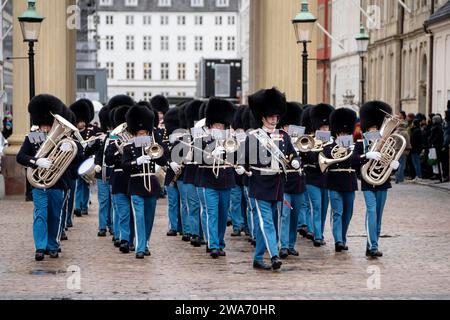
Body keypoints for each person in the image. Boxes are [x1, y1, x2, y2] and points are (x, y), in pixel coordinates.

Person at [238, 88, 301, 271]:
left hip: (277, 185)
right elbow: (241, 159)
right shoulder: (253, 137)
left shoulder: (283, 136)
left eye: (276, 116)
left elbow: (293, 155)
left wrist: (296, 162)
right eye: (270, 116)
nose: (274, 119)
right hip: (259, 184)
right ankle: (274, 255)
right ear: (262, 116)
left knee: (268, 223)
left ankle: (258, 258)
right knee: (267, 223)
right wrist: (242, 168)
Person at [16, 95, 78, 261]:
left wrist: (70, 148)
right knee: (40, 214)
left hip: (58, 184)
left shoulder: (64, 138)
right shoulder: (33, 136)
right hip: (39, 184)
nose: (44, 128)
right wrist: (36, 161)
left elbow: (77, 159)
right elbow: (20, 156)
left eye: (46, 124)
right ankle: (40, 247)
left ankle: (53, 245)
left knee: (55, 215)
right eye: (42, 125)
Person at [122, 104, 168, 259]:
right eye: (140, 133)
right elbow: (125, 166)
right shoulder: (129, 147)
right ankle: (139, 248)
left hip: (151, 186)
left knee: (149, 218)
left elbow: (163, 161)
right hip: (136, 186)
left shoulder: (152, 145)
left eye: (145, 132)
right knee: (139, 217)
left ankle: (145, 242)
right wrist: (137, 161)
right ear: (135, 133)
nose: (142, 135)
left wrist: (154, 151)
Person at [355, 101, 400, 259]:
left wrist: (395, 165)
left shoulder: (387, 144)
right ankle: (373, 246)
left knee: (378, 216)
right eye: (371, 129)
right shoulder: (361, 144)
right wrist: (366, 155)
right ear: (367, 129)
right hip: (368, 183)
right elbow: (353, 161)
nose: (374, 131)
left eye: (376, 128)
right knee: (372, 212)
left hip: (383, 183)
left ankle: (372, 245)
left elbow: (391, 162)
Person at [199, 98, 236, 259]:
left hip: (225, 180)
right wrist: (210, 154)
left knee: (222, 215)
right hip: (209, 180)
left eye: (221, 125)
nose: (219, 127)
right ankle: (213, 244)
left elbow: (237, 157)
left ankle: (220, 242)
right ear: (210, 124)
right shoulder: (202, 139)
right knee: (212, 213)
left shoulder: (230, 139)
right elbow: (196, 157)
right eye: (216, 125)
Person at [323, 108, 358, 252]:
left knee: (348, 213)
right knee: (337, 212)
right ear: (336, 132)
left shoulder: (353, 147)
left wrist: (352, 151)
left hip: (349, 182)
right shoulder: (329, 147)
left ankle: (342, 238)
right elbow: (325, 162)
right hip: (335, 182)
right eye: (341, 133)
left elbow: (357, 164)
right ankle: (338, 241)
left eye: (346, 132)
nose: (343, 134)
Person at [301, 103, 334, 247]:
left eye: (327, 127)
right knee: (316, 205)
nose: (325, 129)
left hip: (326, 178)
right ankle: (317, 236)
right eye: (323, 127)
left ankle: (319, 231)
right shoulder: (310, 140)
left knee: (324, 207)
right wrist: (318, 149)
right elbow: (307, 157)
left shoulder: (332, 141)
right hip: (312, 177)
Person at [278, 102, 305, 259]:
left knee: (295, 216)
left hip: (299, 183)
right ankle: (284, 245)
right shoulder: (280, 138)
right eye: (288, 125)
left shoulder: (300, 139)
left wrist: (301, 152)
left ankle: (292, 244)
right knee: (285, 215)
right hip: (285, 183)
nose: (290, 128)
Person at [70, 99, 100, 217]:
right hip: (76, 160)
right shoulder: (73, 132)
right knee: (78, 184)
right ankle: (77, 206)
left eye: (82, 121)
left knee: (86, 184)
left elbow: (98, 145)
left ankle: (84, 205)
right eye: (79, 121)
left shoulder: (92, 130)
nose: (80, 124)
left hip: (87, 160)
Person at [429, 115, 445, 181]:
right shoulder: (435, 127)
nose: (432, 121)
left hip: (436, 146)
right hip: (434, 145)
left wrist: (432, 141)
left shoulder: (438, 127)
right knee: (434, 160)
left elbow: (437, 136)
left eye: (433, 120)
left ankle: (438, 174)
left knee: (437, 160)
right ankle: (435, 173)